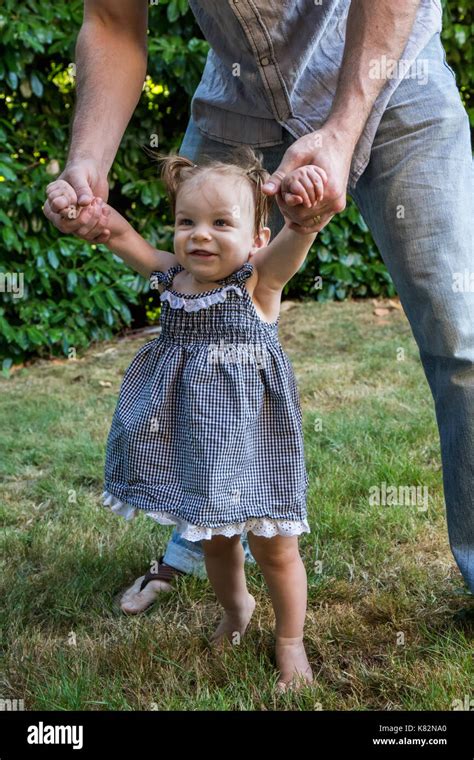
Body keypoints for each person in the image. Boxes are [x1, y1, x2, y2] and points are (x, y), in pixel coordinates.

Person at [43, 1, 474, 609]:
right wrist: (86, 166)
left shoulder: (266, 264)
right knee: (190, 358)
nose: (194, 231)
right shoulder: (181, 261)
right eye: (185, 222)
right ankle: (202, 540)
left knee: (463, 338)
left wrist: (341, 133)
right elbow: (113, 22)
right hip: (239, 95)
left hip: (394, 74)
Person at [47, 148, 327, 691]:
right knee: (216, 538)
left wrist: (306, 220)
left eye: (221, 223)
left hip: (255, 441)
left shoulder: (258, 283)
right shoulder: (171, 277)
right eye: (186, 221)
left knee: (275, 544)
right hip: (198, 442)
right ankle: (237, 609)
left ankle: (290, 640)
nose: (200, 234)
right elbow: (117, 236)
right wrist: (89, 215)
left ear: (255, 240)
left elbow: (294, 242)